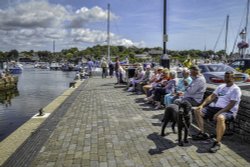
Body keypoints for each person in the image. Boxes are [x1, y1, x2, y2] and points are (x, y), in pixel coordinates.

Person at [193, 71, 242, 153]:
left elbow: (231, 104)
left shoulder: (236, 89)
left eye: (229, 77)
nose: (226, 78)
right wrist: (202, 105)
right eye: (226, 77)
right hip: (217, 108)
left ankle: (217, 142)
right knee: (197, 110)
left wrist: (219, 113)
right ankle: (202, 133)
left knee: (220, 118)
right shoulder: (221, 86)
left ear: (233, 78)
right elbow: (212, 96)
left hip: (229, 111)